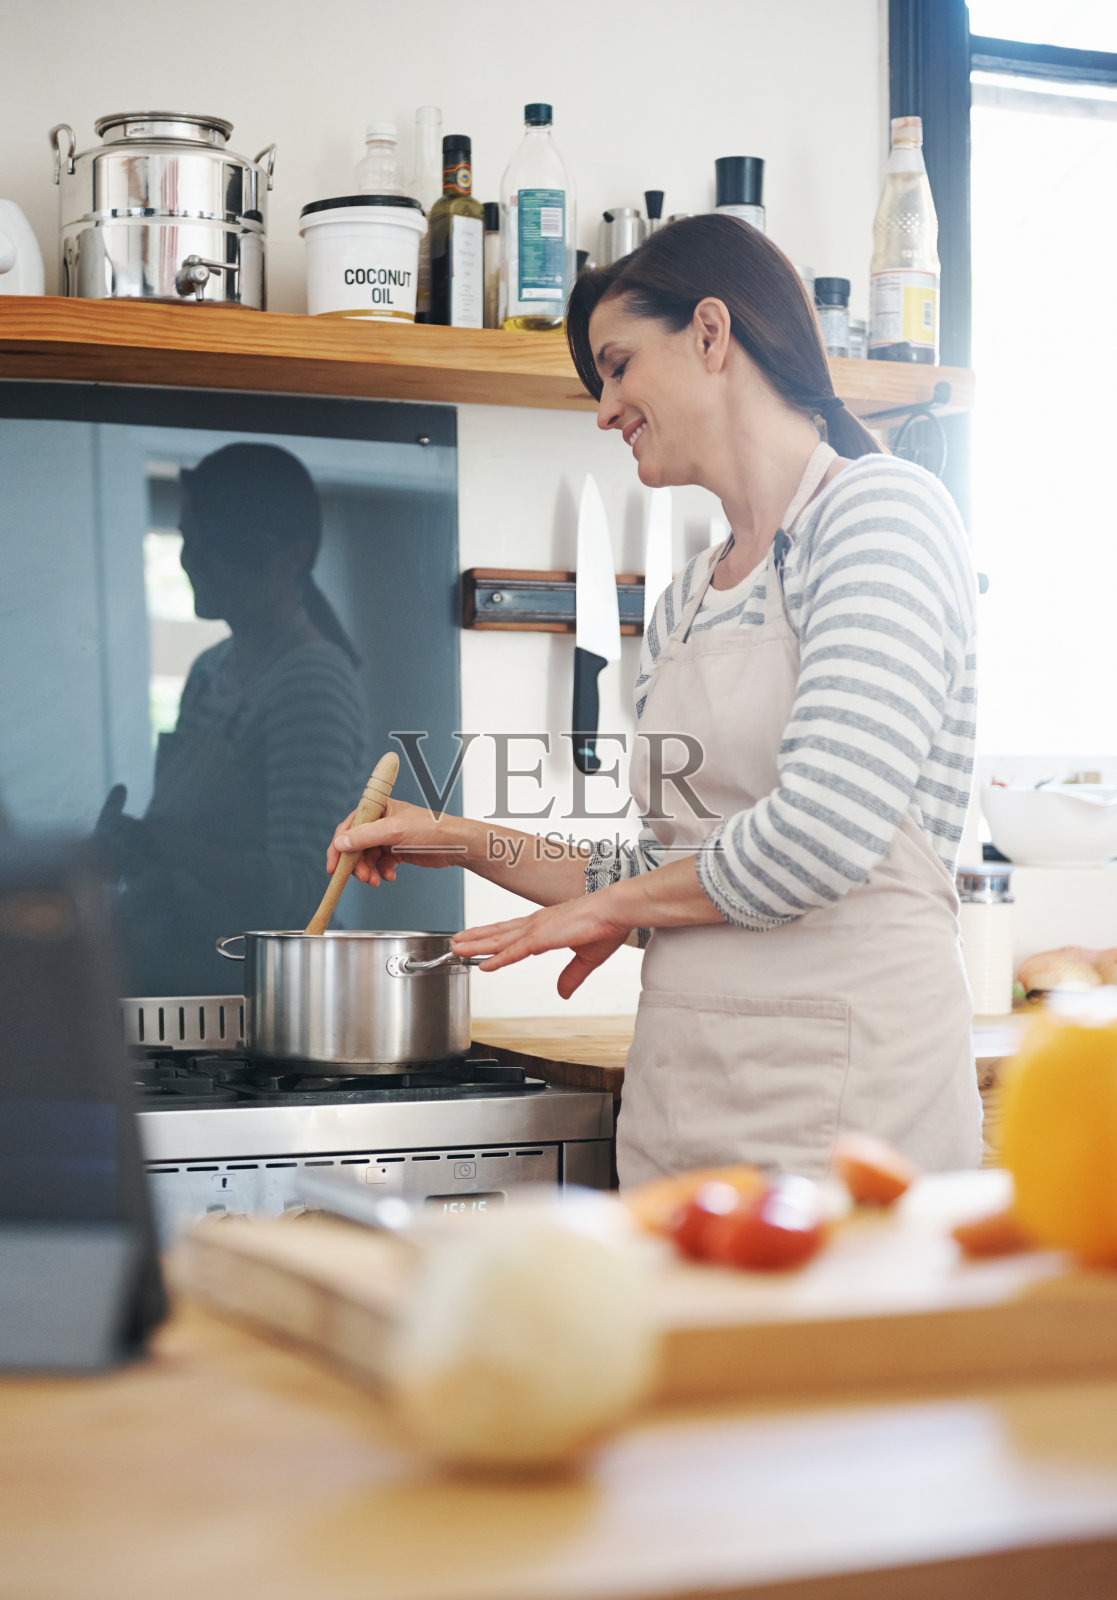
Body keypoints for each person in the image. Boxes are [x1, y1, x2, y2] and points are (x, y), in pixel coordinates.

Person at [328, 214, 982, 1184]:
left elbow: (820, 834)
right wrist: (456, 838)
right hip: (685, 1100)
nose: (605, 410)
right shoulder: (686, 597)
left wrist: (607, 907)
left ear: (710, 333)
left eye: (618, 366)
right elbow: (676, 873)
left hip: (855, 1111)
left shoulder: (879, 514)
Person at [99, 442, 368, 994]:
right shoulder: (210, 668)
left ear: (292, 555)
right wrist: (136, 848)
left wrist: (162, 845)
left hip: (268, 993)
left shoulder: (311, 681)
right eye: (188, 538)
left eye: (215, 542)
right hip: (193, 974)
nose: (191, 559)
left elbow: (307, 891)